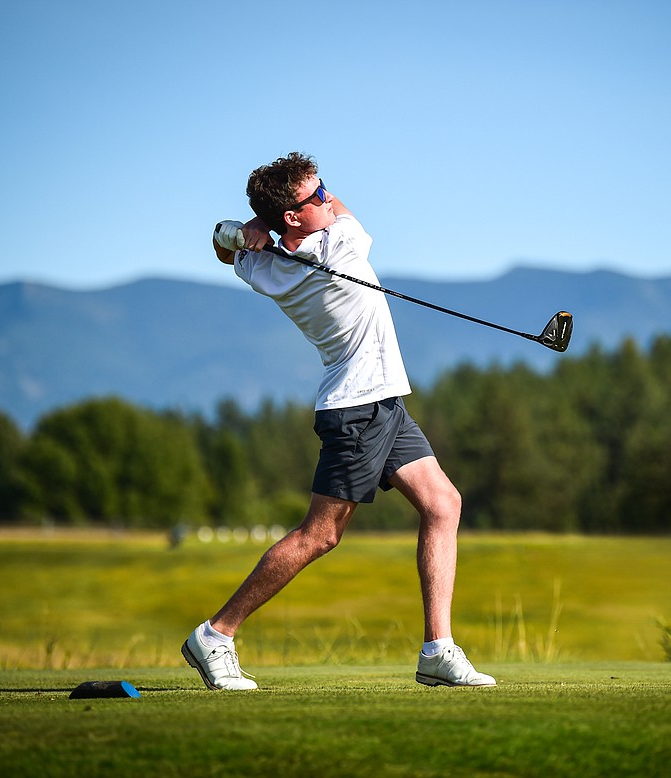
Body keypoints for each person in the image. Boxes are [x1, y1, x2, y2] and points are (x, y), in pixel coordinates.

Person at [181, 151, 495, 690]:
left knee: (444, 503)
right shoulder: (341, 244)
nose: (329, 196)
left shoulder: (267, 269)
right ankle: (216, 633)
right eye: (317, 194)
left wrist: (243, 229)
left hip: (383, 402)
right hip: (358, 411)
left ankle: (438, 650)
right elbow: (340, 210)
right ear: (296, 217)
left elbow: (220, 244)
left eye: (323, 188)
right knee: (320, 536)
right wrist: (264, 222)